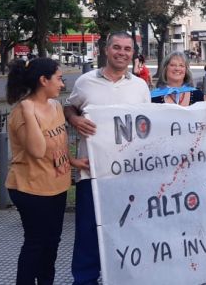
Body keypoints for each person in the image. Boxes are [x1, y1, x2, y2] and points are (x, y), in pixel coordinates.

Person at [64, 32, 151, 285]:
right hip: (92, 172)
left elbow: (147, 124)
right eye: (117, 47)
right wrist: (74, 118)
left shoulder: (140, 86)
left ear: (133, 54)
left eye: (127, 49)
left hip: (128, 174)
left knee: (127, 230)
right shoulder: (85, 82)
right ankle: (85, 280)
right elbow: (69, 106)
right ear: (106, 49)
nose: (122, 53)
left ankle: (123, 276)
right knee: (88, 232)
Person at [4, 57, 81, 285]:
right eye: (59, 78)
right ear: (43, 80)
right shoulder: (21, 113)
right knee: (36, 243)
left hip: (56, 185)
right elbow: (38, 151)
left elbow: (58, 144)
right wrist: (28, 109)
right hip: (30, 188)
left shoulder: (56, 106)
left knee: (52, 243)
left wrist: (73, 162)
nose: (62, 84)